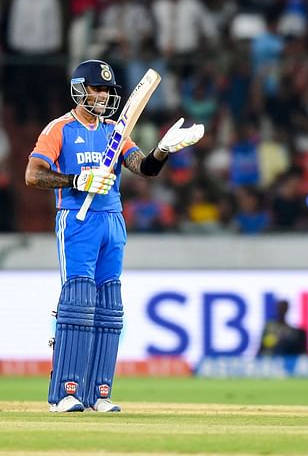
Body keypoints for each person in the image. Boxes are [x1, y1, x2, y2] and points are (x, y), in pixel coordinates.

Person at [25, 60, 204, 413]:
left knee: (109, 307)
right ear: (80, 89)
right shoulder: (59, 128)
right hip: (77, 221)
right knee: (78, 302)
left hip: (112, 220)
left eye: (108, 90)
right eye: (98, 88)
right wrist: (76, 180)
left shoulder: (114, 131)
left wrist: (163, 150)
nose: (104, 95)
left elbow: (143, 168)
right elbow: (34, 174)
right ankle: (65, 392)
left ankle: (99, 393)